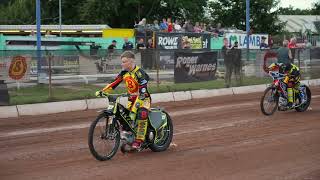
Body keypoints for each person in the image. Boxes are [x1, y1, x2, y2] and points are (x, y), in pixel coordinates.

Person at [95, 51, 151, 149]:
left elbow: (143, 88)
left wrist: (140, 94)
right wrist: (102, 90)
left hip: (143, 98)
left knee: (140, 113)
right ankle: (129, 135)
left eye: (124, 62)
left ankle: (139, 140)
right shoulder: (124, 72)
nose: (122, 64)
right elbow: (114, 83)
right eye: (122, 62)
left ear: (131, 61)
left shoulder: (140, 73)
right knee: (125, 116)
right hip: (131, 99)